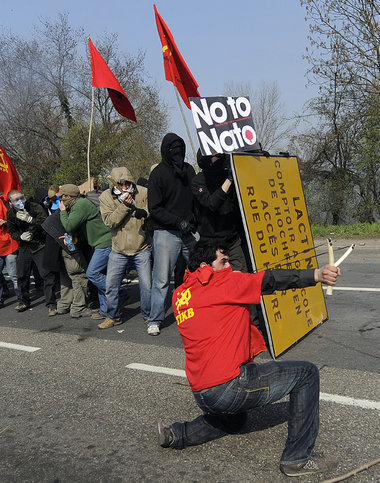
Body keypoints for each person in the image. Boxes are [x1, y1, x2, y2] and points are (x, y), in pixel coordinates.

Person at [157, 242, 340, 477]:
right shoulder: (224, 283)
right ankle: (298, 459)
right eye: (223, 262)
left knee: (235, 420)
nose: (230, 267)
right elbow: (271, 280)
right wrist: (316, 275)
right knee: (306, 373)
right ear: (205, 266)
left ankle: (177, 434)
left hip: (203, 394)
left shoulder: (180, 294)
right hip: (229, 387)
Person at [147, 133, 196, 336]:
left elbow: (195, 197)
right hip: (166, 232)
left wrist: (193, 220)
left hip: (190, 232)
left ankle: (198, 313)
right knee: (161, 280)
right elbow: (155, 208)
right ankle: (155, 319)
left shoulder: (189, 170)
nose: (178, 153)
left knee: (199, 275)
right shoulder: (158, 174)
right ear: (166, 151)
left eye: (181, 149)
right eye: (174, 149)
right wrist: (177, 221)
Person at [98, 167, 151, 329]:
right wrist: (124, 206)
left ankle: (148, 315)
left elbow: (151, 212)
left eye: (127, 183)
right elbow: (109, 221)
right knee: (111, 286)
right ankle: (113, 316)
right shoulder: (106, 197)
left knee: (147, 286)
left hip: (141, 247)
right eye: (121, 183)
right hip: (118, 250)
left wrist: (144, 213)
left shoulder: (143, 192)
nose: (124, 186)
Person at [58, 184, 113, 320]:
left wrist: (63, 211)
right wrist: (73, 237)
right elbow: (81, 229)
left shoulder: (80, 205)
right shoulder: (79, 204)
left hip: (104, 242)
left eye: (62, 197)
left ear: (68, 197)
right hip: (98, 243)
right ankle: (105, 310)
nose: (60, 201)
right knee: (99, 274)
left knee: (92, 273)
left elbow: (69, 225)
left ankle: (119, 292)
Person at [192, 150, 247, 272]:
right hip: (211, 245)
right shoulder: (198, 181)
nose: (219, 158)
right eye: (215, 156)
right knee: (216, 285)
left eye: (220, 155)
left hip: (232, 242)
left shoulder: (229, 174)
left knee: (240, 280)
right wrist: (229, 180)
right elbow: (212, 203)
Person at [6, 189, 57, 315]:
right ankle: (24, 301)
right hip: (25, 247)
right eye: (16, 200)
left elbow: (45, 222)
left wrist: (30, 220)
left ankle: (51, 304)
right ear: (11, 203)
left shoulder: (34, 206)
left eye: (21, 197)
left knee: (46, 274)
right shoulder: (11, 214)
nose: (20, 201)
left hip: (39, 244)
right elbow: (12, 232)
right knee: (22, 275)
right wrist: (20, 236)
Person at [0, 194, 19, 307]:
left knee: (14, 275)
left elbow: (17, 218)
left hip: (9, 244)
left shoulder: (6, 202)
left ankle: (22, 299)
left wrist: (6, 222)